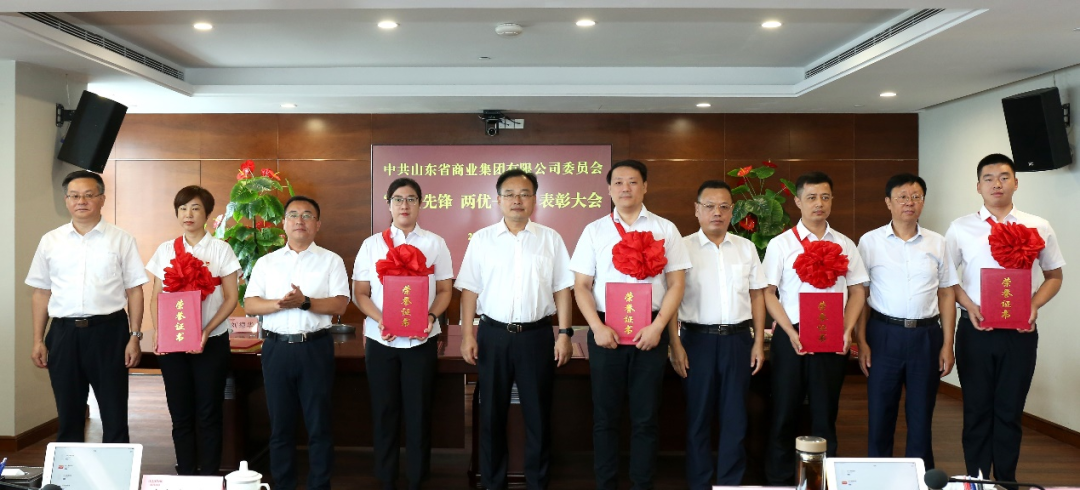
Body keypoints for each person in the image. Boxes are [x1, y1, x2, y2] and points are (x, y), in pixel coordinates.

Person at [569, 159, 691, 490]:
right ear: (609, 189)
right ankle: (606, 483)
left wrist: (658, 328)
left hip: (651, 331)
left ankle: (642, 484)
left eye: (633, 182)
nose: (626, 188)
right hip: (605, 330)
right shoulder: (594, 231)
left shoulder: (665, 229)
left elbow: (676, 284)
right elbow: (581, 286)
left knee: (646, 417)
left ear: (645, 187)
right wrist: (596, 327)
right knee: (605, 416)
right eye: (619, 182)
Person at [945, 153, 1064, 483]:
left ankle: (1007, 481)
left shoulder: (1037, 225)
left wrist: (1034, 305)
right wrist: (968, 304)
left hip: (1020, 333)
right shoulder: (960, 228)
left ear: (1016, 182)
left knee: (1010, 410)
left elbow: (1054, 275)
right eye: (988, 178)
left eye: (1003, 177)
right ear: (978, 186)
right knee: (976, 409)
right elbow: (946, 278)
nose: (996, 183)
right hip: (975, 331)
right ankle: (978, 481)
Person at [457, 169, 575, 490]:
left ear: (535, 199)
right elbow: (469, 291)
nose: (517, 200)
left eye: (524, 194)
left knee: (538, 415)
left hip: (537, 337)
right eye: (509, 194)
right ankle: (493, 483)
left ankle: (537, 482)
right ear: (498, 200)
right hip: (492, 335)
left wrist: (565, 334)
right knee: (491, 415)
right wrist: (467, 335)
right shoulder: (482, 240)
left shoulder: (550, 239)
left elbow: (563, 289)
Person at [762, 171, 868, 485]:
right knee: (784, 412)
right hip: (791, 336)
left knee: (825, 413)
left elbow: (858, 291)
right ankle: (780, 480)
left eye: (824, 197)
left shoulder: (845, 244)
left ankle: (823, 481)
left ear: (832, 200)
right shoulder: (781, 244)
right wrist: (789, 331)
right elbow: (768, 292)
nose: (818, 203)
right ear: (798, 202)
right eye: (811, 197)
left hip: (831, 337)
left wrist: (847, 330)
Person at [26, 170, 147, 443]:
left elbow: (135, 290)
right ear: (66, 200)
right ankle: (70, 470)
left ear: (102, 198)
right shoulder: (50, 241)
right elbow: (41, 293)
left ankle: (116, 469)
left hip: (109, 332)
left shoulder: (121, 239)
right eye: (74, 196)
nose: (81, 201)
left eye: (89, 195)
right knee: (68, 414)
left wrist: (134, 336)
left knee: (114, 413)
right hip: (63, 334)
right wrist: (38, 340)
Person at [352, 178, 453, 490]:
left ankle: (417, 478)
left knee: (419, 411)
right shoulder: (372, 245)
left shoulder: (436, 243)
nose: (404, 205)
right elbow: (360, 293)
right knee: (384, 410)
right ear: (389, 204)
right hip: (381, 340)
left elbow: (445, 290)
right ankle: (386, 477)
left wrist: (431, 316)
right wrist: (381, 320)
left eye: (411, 199)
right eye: (398, 199)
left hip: (422, 340)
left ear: (420, 203)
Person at [244, 196, 349, 490]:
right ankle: (283, 484)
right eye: (293, 215)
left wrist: (305, 302)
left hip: (315, 348)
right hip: (276, 349)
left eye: (306, 215)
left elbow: (340, 303)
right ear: (283, 223)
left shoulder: (331, 260)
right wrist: (280, 304)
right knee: (280, 426)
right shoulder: (266, 263)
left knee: (319, 424)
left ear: (318, 224)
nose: (299, 221)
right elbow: (250, 304)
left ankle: (319, 485)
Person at [668, 180, 766, 488]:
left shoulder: (746, 248)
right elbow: (671, 300)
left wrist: (758, 342)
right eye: (709, 206)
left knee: (735, 416)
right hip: (696, 341)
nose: (717, 212)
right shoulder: (681, 248)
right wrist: (675, 344)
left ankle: (729, 483)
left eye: (724, 207)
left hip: (738, 341)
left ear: (732, 211)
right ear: (697, 210)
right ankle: (699, 482)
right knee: (698, 417)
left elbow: (757, 296)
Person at [856, 173, 958, 468]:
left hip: (926, 336)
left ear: (923, 202)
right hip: (883, 334)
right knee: (880, 412)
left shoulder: (938, 242)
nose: (909, 202)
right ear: (888, 202)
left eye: (916, 197)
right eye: (902, 197)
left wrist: (947, 344)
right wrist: (861, 341)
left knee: (921, 414)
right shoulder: (870, 242)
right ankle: (878, 475)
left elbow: (947, 293)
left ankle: (920, 478)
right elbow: (861, 294)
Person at [146, 185, 240, 475]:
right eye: (183, 208)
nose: (188, 214)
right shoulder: (166, 249)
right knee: (180, 413)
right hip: (173, 344)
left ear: (207, 214)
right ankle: (185, 473)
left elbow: (231, 298)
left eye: (196, 208)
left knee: (209, 411)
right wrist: (160, 331)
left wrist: (206, 330)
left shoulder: (220, 249)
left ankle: (209, 475)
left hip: (211, 342)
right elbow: (156, 296)